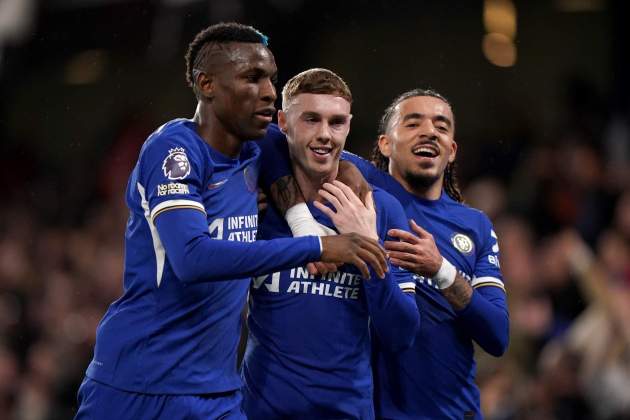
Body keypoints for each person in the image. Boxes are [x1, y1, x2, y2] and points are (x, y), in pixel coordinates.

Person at [74, 23, 387, 420]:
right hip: (138, 384)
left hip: (218, 392)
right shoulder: (174, 151)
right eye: (252, 78)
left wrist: (350, 173)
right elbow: (193, 259)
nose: (270, 92)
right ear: (206, 84)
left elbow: (319, 154)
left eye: (271, 78)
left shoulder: (258, 145)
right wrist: (318, 245)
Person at [260, 88, 509, 419]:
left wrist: (440, 269)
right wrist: (298, 215)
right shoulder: (368, 193)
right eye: (412, 123)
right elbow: (273, 137)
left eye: (441, 126)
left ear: (451, 151)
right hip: (373, 408)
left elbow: (497, 336)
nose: (430, 132)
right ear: (384, 144)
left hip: (451, 411)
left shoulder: (474, 225)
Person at [241, 68, 419, 419]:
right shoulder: (253, 203)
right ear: (283, 122)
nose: (325, 135)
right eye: (311, 119)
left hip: (346, 412)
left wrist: (369, 247)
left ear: (349, 126)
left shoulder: (380, 209)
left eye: (336, 122)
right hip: (259, 410)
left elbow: (401, 334)